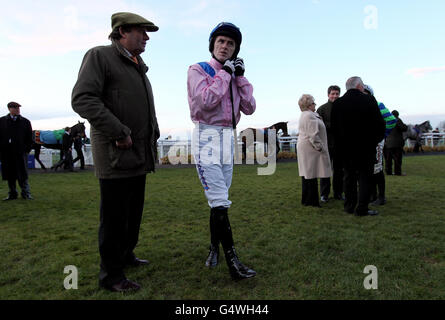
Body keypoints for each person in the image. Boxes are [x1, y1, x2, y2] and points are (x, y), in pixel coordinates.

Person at [72, 12, 160, 292]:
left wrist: (153, 134)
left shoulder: (137, 65)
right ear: (122, 31)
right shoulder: (100, 56)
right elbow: (83, 98)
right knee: (114, 218)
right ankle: (111, 276)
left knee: (133, 214)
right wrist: (118, 131)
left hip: (139, 155)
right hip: (115, 154)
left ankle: (125, 255)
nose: (146, 38)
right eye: (141, 32)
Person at [187, 22, 257, 280]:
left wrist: (240, 77)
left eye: (230, 43)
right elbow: (205, 101)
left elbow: (249, 107)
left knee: (219, 201)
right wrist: (225, 74)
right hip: (207, 135)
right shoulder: (198, 69)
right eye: (221, 42)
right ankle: (233, 263)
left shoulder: (233, 74)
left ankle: (213, 249)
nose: (225, 46)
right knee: (219, 200)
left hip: (229, 137)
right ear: (213, 44)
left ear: (236, 48)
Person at [331, 77, 385, 216]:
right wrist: (374, 142)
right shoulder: (369, 100)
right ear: (360, 86)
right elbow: (380, 125)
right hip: (365, 149)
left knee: (348, 177)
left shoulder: (337, 104)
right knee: (365, 178)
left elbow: (334, 130)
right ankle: (362, 208)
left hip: (345, 150)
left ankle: (349, 206)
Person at [363, 85, 396, 205]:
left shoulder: (378, 104)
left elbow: (391, 120)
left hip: (376, 141)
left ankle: (381, 197)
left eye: (365, 93)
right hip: (365, 142)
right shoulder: (361, 106)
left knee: (377, 168)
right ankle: (373, 195)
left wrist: (382, 135)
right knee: (369, 169)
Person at [297, 94, 332, 207]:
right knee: (311, 175)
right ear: (308, 105)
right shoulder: (309, 116)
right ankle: (312, 201)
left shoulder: (307, 115)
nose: (315, 104)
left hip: (307, 147)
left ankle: (307, 199)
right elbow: (313, 135)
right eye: (313, 103)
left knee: (307, 174)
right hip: (310, 148)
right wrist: (320, 147)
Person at [0, 102, 33, 200]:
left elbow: (29, 138)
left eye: (18, 108)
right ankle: (12, 193)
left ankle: (26, 193)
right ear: (9, 109)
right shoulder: (2, 121)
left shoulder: (25, 122)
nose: (18, 109)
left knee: (22, 174)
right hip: (7, 153)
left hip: (20, 152)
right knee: (10, 175)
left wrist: (26, 150)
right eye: (15, 108)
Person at [316, 85, 344, 203]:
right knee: (325, 170)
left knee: (339, 171)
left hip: (341, 145)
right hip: (326, 145)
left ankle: (338, 193)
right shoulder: (322, 109)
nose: (335, 96)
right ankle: (324, 194)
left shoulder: (345, 107)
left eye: (337, 94)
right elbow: (318, 125)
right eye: (333, 94)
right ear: (328, 95)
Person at [384, 110, 408, 176]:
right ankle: (397, 172)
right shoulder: (397, 120)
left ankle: (388, 172)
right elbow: (403, 128)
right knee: (397, 159)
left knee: (388, 159)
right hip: (397, 143)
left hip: (388, 143)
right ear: (397, 115)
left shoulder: (387, 121)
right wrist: (405, 126)